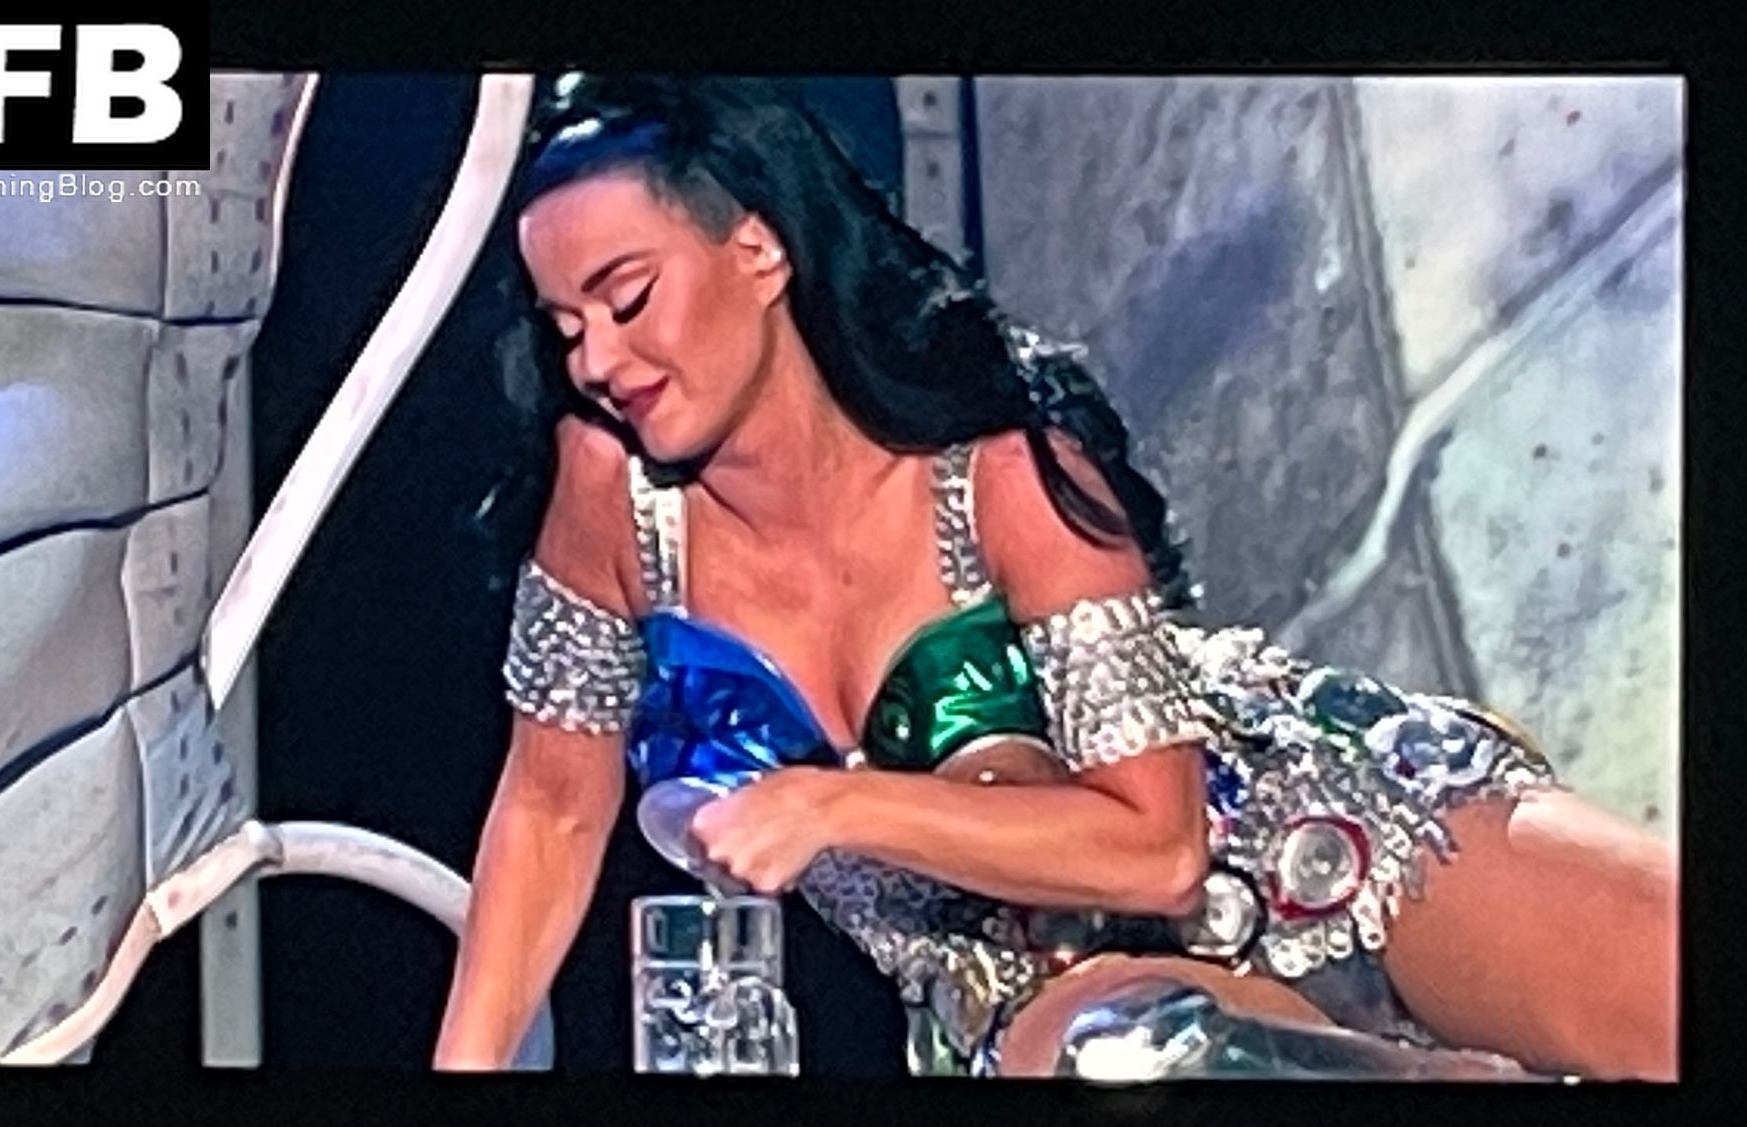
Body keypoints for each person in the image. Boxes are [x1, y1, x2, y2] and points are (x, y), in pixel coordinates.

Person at [432, 74, 1677, 1080]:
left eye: (628, 297)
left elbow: (1159, 847)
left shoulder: (1006, 470)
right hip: (1039, 991)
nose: (598, 358)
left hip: (1301, 824)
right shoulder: (607, 503)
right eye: (566, 325)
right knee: (1135, 1056)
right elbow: (551, 808)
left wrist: (835, 804)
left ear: (759, 248)